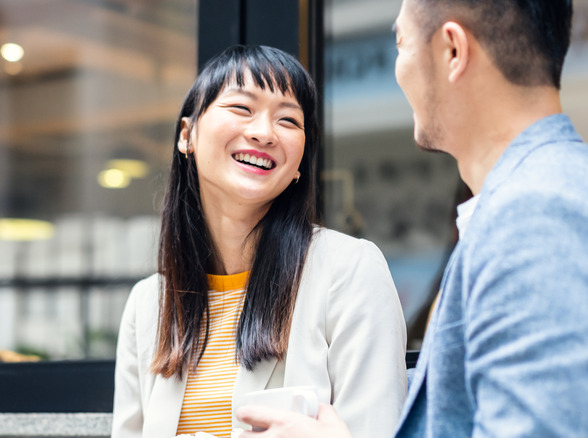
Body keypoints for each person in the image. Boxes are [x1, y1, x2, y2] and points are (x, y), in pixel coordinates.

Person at [237, 0, 588, 437]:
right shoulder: (541, 200)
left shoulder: (541, 219)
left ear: (452, 51)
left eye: (401, 43)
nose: (399, 70)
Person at [111, 45, 407, 438]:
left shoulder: (349, 271)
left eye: (288, 120)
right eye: (241, 108)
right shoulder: (148, 306)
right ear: (187, 135)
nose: (264, 133)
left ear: (300, 161)